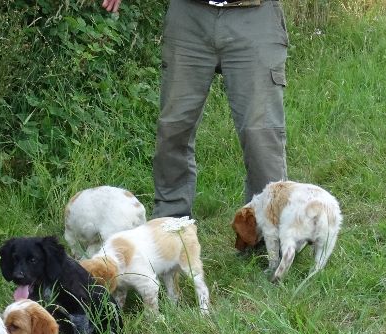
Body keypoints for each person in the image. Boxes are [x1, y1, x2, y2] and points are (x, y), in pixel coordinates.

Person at [101, 0, 289, 217]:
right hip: (189, 15)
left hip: (255, 16)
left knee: (261, 135)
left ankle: (269, 231)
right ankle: (171, 224)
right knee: (174, 127)